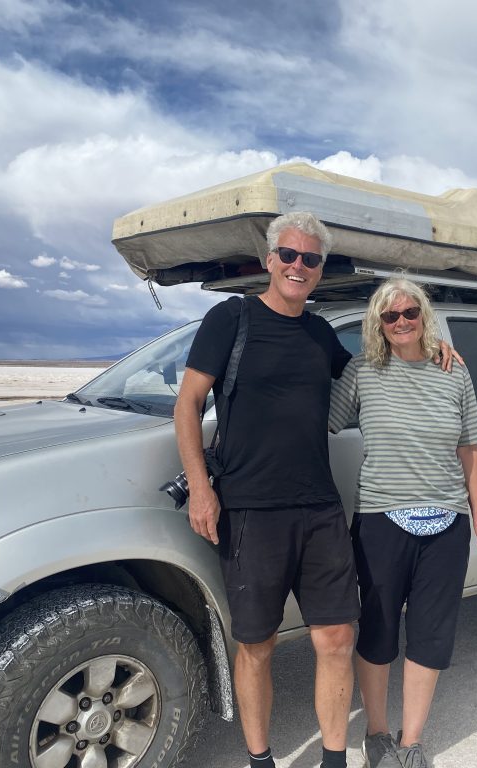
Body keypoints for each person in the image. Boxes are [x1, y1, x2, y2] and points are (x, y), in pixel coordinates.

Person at [174, 212, 358, 768]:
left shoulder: (320, 333)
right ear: (270, 259)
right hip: (251, 510)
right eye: (290, 255)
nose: (299, 266)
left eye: (311, 259)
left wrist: (433, 349)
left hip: (320, 508)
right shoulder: (231, 319)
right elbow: (187, 406)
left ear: (320, 269)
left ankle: (333, 759)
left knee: (336, 639)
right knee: (257, 645)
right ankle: (260, 760)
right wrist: (201, 489)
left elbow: (372, 373)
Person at [328, 277, 477, 768]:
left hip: (447, 523)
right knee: (378, 630)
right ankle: (377, 734)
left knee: (431, 634)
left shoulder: (453, 371)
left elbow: (469, 447)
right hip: (381, 520)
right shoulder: (363, 371)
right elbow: (323, 421)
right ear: (378, 323)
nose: (401, 321)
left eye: (410, 312)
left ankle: (412, 742)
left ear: (424, 314)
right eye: (390, 315)